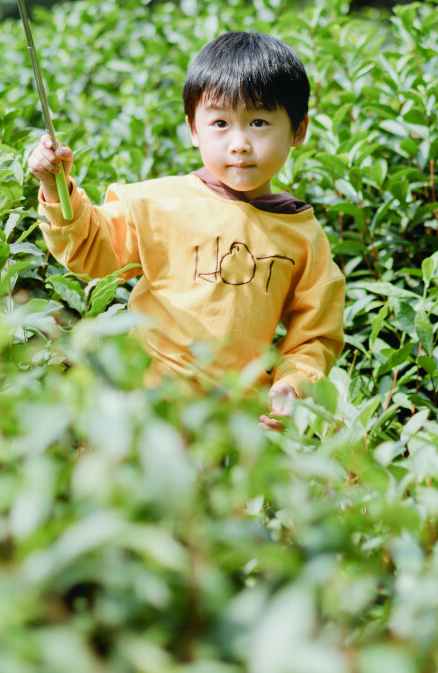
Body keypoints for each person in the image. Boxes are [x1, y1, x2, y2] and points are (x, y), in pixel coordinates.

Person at [28, 31, 345, 427]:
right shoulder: (158, 203)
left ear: (298, 131)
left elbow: (315, 335)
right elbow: (91, 250)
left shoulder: (302, 233)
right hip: (148, 409)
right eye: (220, 123)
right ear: (194, 129)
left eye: (259, 121)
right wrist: (53, 185)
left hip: (239, 424)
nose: (239, 143)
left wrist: (293, 385)